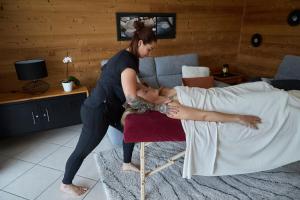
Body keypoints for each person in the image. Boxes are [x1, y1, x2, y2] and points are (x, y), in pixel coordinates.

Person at [60, 21, 168, 196]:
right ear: (140, 43)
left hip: (110, 108)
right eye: (149, 49)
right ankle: (65, 183)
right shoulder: (128, 62)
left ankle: (126, 163)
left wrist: (150, 92)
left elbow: (129, 84)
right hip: (97, 111)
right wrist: (156, 106)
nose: (149, 54)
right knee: (82, 150)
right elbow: (132, 99)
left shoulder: (127, 57)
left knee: (130, 129)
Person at [122, 84, 262, 129]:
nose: (149, 87)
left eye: (145, 86)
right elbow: (204, 116)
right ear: (145, 103)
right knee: (266, 99)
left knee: (257, 86)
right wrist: (238, 118)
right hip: (222, 104)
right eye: (146, 91)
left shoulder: (164, 91)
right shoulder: (171, 108)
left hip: (217, 93)